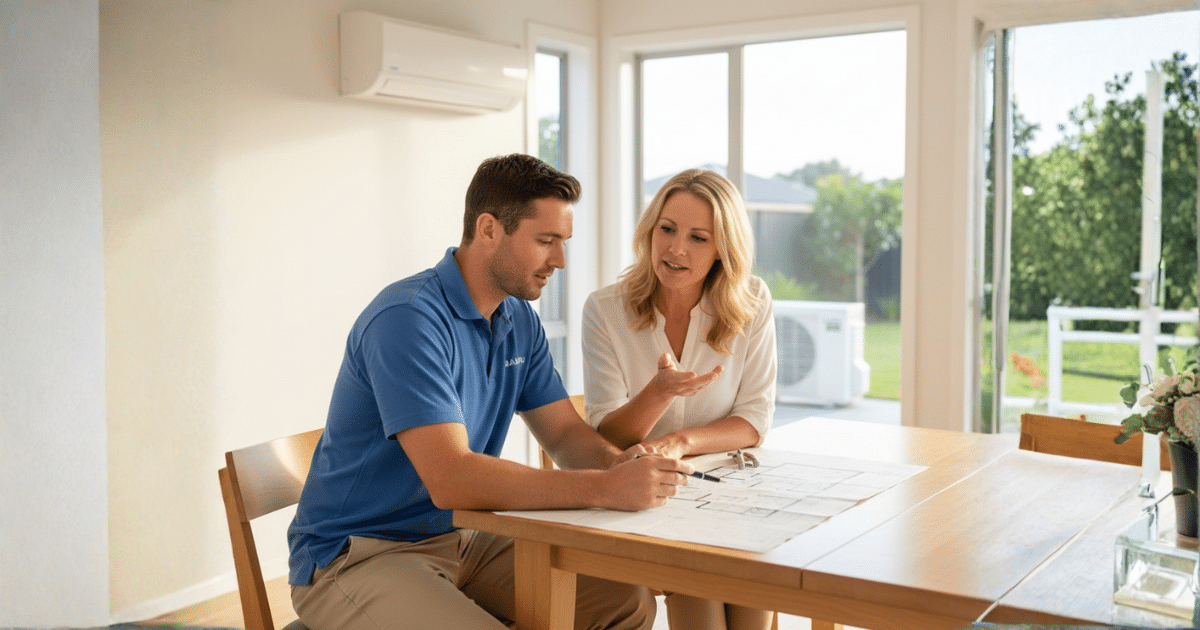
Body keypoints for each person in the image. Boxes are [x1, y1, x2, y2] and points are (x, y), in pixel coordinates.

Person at [288, 153, 696, 630]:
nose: (559, 261)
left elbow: (564, 434)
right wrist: (605, 488)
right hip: (361, 554)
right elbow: (451, 478)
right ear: (488, 229)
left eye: (563, 242)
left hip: (464, 536)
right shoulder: (407, 320)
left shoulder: (518, 319)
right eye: (545, 241)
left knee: (627, 602)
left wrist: (618, 463)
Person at [581, 168, 778, 630]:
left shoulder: (751, 300)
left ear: (722, 250)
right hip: (644, 496)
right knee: (703, 590)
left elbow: (754, 420)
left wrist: (681, 441)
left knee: (754, 586)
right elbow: (605, 434)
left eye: (698, 238)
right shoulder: (605, 310)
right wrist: (658, 394)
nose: (676, 249)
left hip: (728, 500)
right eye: (667, 229)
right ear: (650, 231)